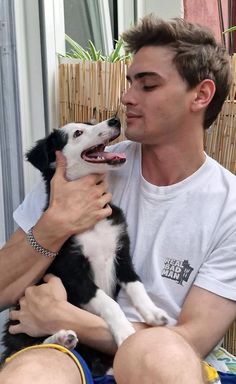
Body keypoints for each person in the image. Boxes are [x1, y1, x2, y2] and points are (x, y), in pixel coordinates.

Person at [0, 14, 236, 384]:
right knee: (29, 375)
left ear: (201, 95)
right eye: (130, 82)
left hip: (164, 358)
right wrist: (52, 227)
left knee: (162, 360)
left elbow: (192, 339)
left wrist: (68, 317)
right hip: (66, 350)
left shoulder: (229, 207)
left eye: (147, 85)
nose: (126, 97)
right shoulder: (79, 170)